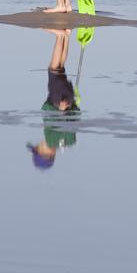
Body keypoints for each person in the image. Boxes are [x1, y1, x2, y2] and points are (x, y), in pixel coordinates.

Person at [27, 29, 79, 169]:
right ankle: (60, 36)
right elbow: (57, 121)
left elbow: (73, 124)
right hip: (58, 101)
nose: (39, 144)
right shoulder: (52, 141)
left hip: (68, 98)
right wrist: (62, 111)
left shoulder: (67, 143)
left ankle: (66, 36)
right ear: (47, 153)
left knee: (61, 69)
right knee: (53, 68)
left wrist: (73, 105)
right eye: (38, 148)